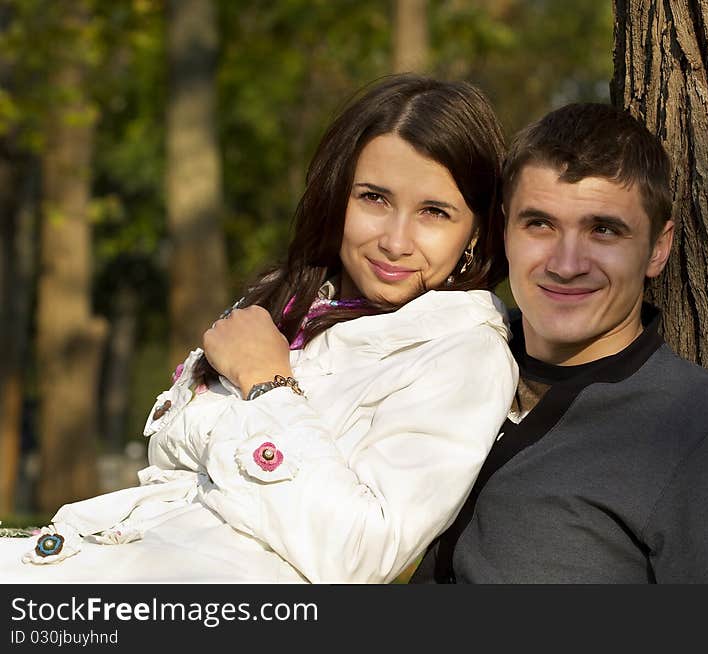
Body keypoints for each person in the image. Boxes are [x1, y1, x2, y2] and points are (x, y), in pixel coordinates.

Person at [0, 74, 518, 583]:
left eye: (434, 212)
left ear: (474, 231)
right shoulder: (288, 297)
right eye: (374, 199)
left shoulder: (464, 354)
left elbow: (359, 554)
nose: (395, 241)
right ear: (338, 195)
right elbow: (168, 455)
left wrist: (267, 386)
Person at [411, 102, 708, 583]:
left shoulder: (697, 427)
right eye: (540, 224)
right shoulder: (445, 355)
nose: (566, 263)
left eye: (604, 230)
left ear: (657, 247)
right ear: (505, 229)